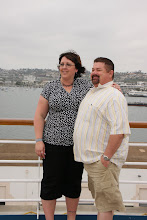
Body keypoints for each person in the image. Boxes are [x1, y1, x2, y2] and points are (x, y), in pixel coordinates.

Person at [34, 51, 121, 220]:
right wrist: (39, 140)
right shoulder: (50, 87)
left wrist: (116, 87)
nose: (63, 67)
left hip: (79, 146)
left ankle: (71, 218)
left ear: (76, 69)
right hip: (52, 143)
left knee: (73, 183)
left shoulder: (86, 87)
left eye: (68, 64)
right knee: (50, 183)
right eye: (61, 64)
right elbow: (39, 115)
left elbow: (104, 91)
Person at [73, 57, 131, 220]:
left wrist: (106, 157)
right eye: (93, 69)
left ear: (110, 73)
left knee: (105, 205)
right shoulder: (94, 91)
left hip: (103, 161)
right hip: (92, 160)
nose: (94, 73)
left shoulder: (114, 96)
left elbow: (119, 131)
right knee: (101, 203)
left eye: (99, 70)